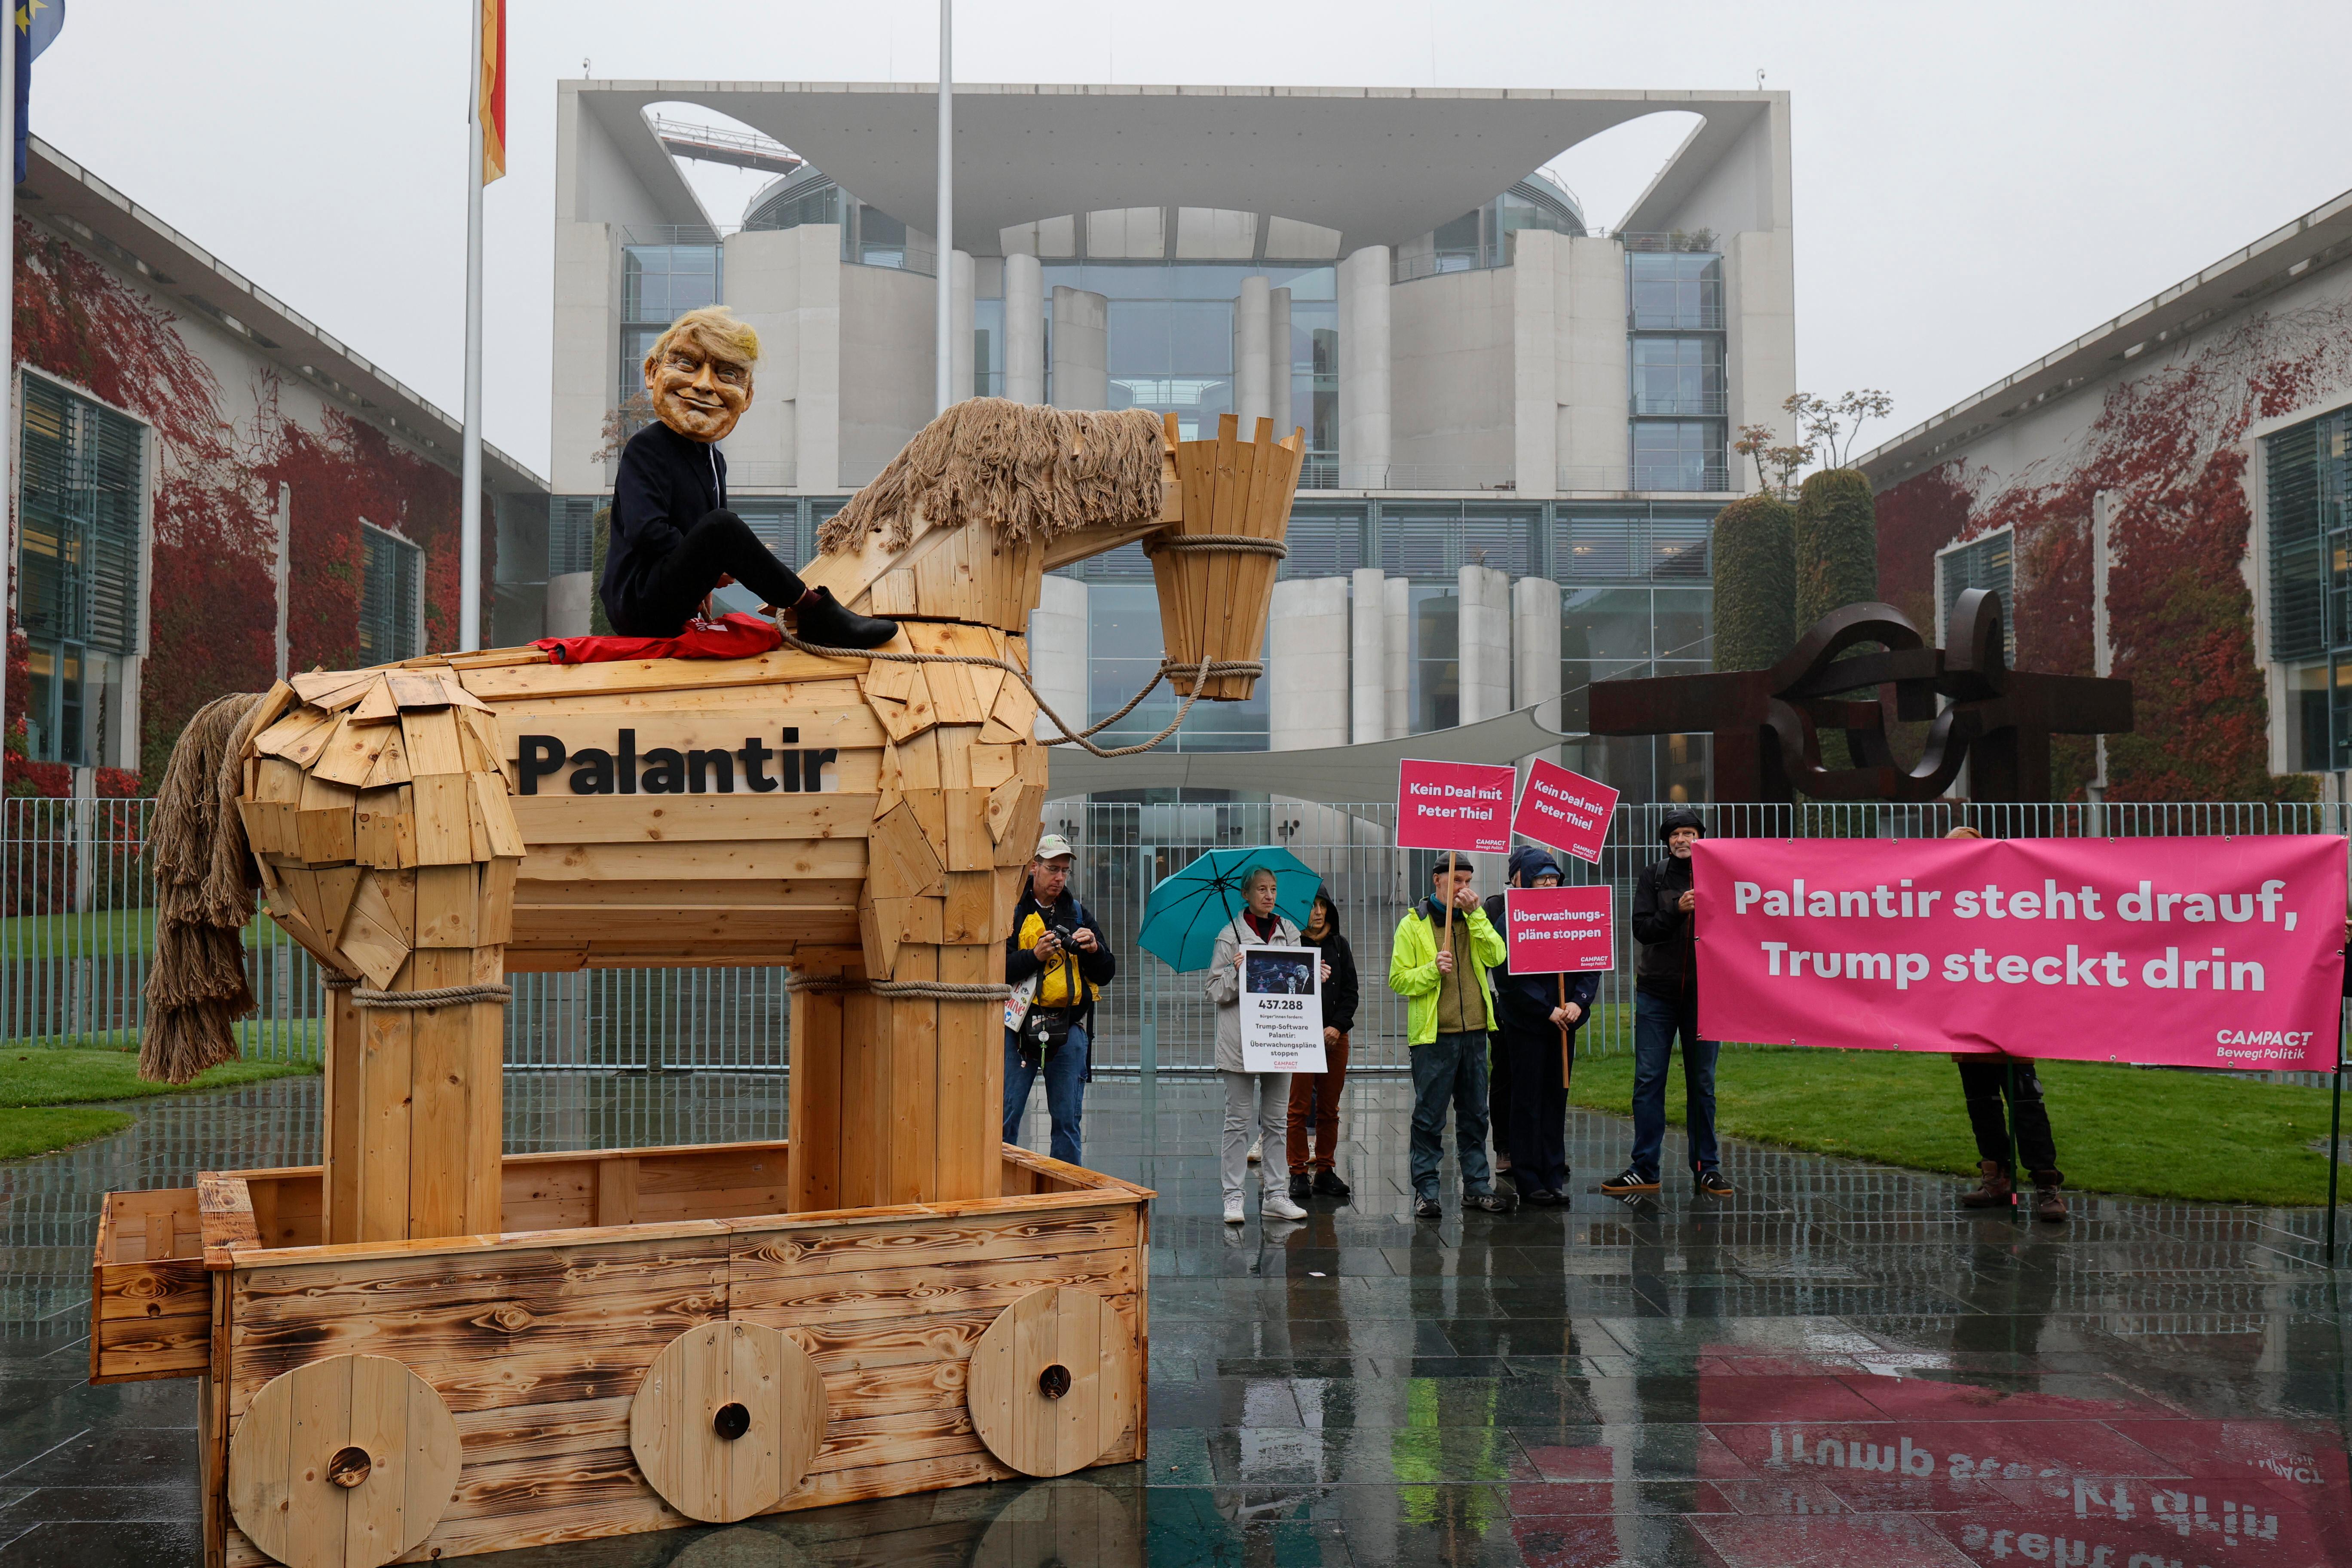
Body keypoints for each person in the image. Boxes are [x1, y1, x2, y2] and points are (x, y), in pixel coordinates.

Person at [602, 305, 900, 648]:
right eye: (687, 364)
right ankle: (813, 609)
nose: (702, 386)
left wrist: (702, 579)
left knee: (721, 525)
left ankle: (810, 608)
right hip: (638, 601)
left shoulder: (714, 460)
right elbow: (647, 531)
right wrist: (711, 566)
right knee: (723, 525)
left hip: (674, 602)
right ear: (653, 372)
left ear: (748, 397)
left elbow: (704, 540)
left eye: (728, 374)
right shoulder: (647, 446)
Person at [1604, 808, 1733, 1197]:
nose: (1683, 840)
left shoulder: (1721, 876)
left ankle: (1706, 1168)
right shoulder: (1653, 876)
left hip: (1706, 994)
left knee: (1703, 1084)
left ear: (1701, 837)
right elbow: (1642, 929)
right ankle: (1645, 1167)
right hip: (1657, 993)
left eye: (1690, 833)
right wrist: (1676, 910)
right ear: (1667, 840)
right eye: (1676, 834)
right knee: (1648, 1081)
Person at [1943, 825, 2067, 1221]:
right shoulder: (1944, 906)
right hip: (1967, 1024)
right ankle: (1997, 1178)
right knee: (1982, 1105)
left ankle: (2046, 1185)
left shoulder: (2012, 901)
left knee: (2026, 1105)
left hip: (2011, 1025)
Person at [1390, 857, 1518, 1219]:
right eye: (1456, 880)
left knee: (1476, 1115)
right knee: (1429, 1119)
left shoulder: (1475, 919)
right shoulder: (1413, 925)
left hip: (1475, 1033)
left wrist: (1477, 917)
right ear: (1437, 880)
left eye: (1468, 880)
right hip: (1434, 1037)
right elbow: (1399, 979)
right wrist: (1432, 970)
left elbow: (1498, 954)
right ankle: (1426, 1191)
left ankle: (1477, 1187)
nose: (1463, 887)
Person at [1485, 846, 1601, 1206]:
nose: (1549, 882)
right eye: (1542, 877)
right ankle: (1528, 1177)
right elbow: (1507, 977)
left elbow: (1590, 961)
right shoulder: (1509, 919)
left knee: (1556, 1098)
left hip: (1565, 1024)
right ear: (1527, 881)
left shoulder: (1573, 912)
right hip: (1528, 1026)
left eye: (1554, 877)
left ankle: (1553, 1173)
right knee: (1527, 1100)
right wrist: (1546, 1008)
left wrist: (1576, 1003)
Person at [1207, 867, 1318, 1224]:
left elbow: (1299, 983)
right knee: (1237, 1122)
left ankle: (1276, 1195)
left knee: (1276, 1122)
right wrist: (1237, 971)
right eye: (1261, 889)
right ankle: (1234, 1197)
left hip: (1279, 1039)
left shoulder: (1289, 932)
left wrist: (1316, 975)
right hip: (1240, 1043)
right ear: (1246, 894)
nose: (1269, 895)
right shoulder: (1229, 936)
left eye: (1273, 889)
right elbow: (1214, 990)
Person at [1003, 833, 1116, 1167]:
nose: (1059, 878)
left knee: (1067, 1123)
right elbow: (995, 969)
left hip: (1069, 1029)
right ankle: (998, 1189)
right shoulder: (1012, 912)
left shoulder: (1080, 914)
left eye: (1065, 871)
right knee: (1006, 1117)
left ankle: (1065, 1196)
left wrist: (1094, 949)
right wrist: (1034, 956)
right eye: (1053, 869)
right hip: (1018, 1027)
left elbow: (1107, 972)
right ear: (1033, 867)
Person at [1286, 886, 1360, 1203]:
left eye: (1322, 906)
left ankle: (1326, 1170)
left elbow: (1351, 992)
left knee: (1330, 1108)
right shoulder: (1290, 946)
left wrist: (1337, 1027)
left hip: (1334, 1039)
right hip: (1300, 1038)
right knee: (1298, 1109)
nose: (1317, 912)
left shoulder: (1339, 946)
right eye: (1311, 906)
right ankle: (1298, 1172)